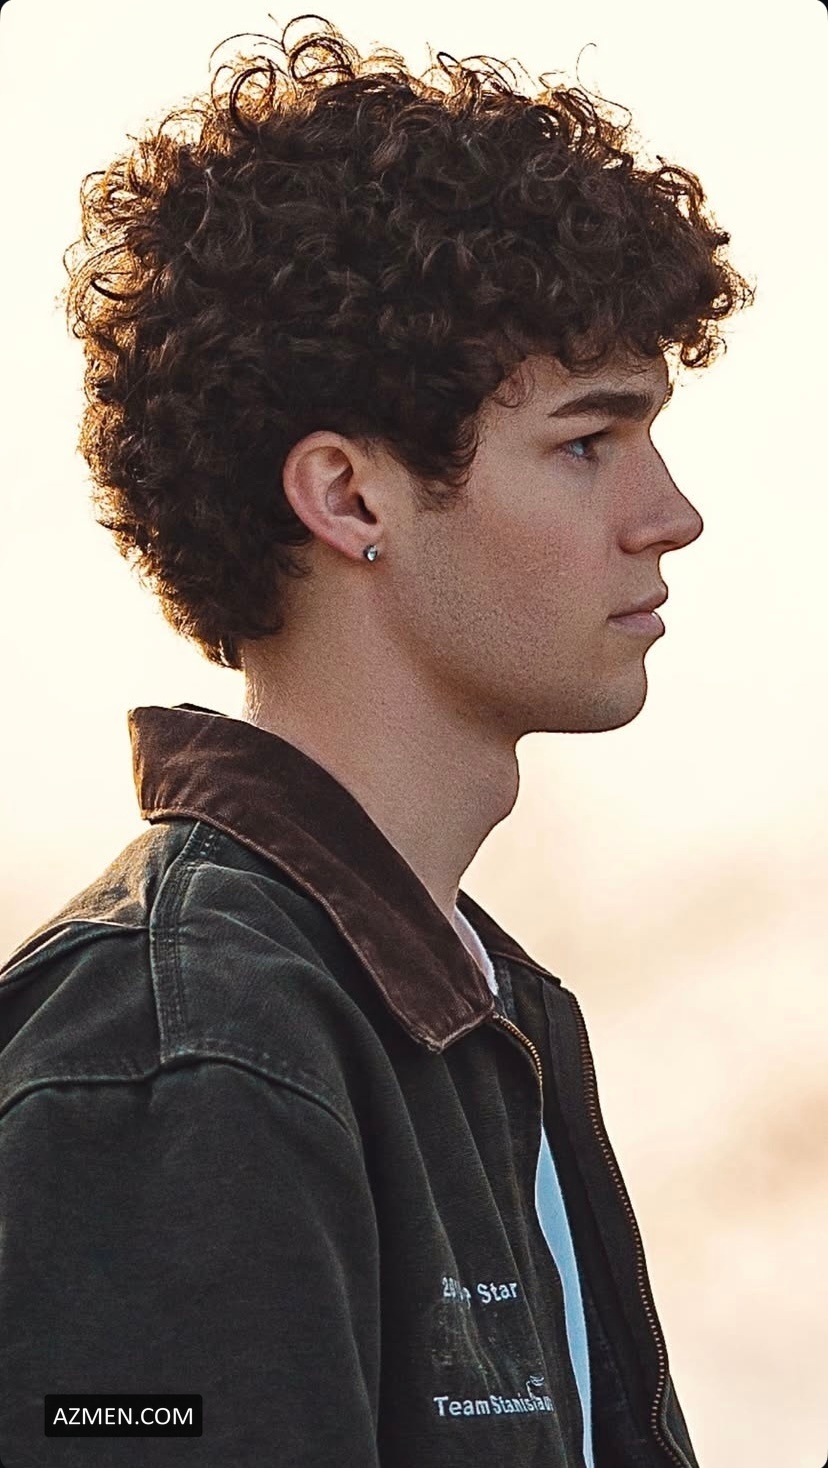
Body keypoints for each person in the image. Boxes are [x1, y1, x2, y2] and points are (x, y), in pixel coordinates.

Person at [0, 15, 752, 1466]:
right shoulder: (185, 1061)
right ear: (349, 499)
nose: (673, 515)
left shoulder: (478, 1015)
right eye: (587, 443)